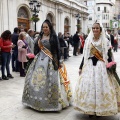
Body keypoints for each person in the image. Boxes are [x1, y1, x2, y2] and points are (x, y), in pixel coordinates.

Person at [22, 19, 72, 111]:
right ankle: (35, 101)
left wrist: (58, 62)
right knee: (35, 81)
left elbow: (57, 50)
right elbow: (36, 49)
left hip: (50, 61)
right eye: (43, 27)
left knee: (51, 81)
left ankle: (52, 102)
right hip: (39, 60)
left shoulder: (53, 37)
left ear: (49, 28)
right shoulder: (40, 36)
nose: (44, 28)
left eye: (46, 27)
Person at [74, 22, 120, 118]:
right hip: (89, 65)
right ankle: (90, 110)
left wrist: (111, 66)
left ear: (100, 29)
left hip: (101, 66)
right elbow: (85, 56)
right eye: (93, 28)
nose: (95, 30)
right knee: (89, 87)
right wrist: (81, 66)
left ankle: (99, 109)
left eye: (97, 28)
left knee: (100, 87)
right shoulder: (88, 40)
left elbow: (109, 55)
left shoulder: (105, 41)